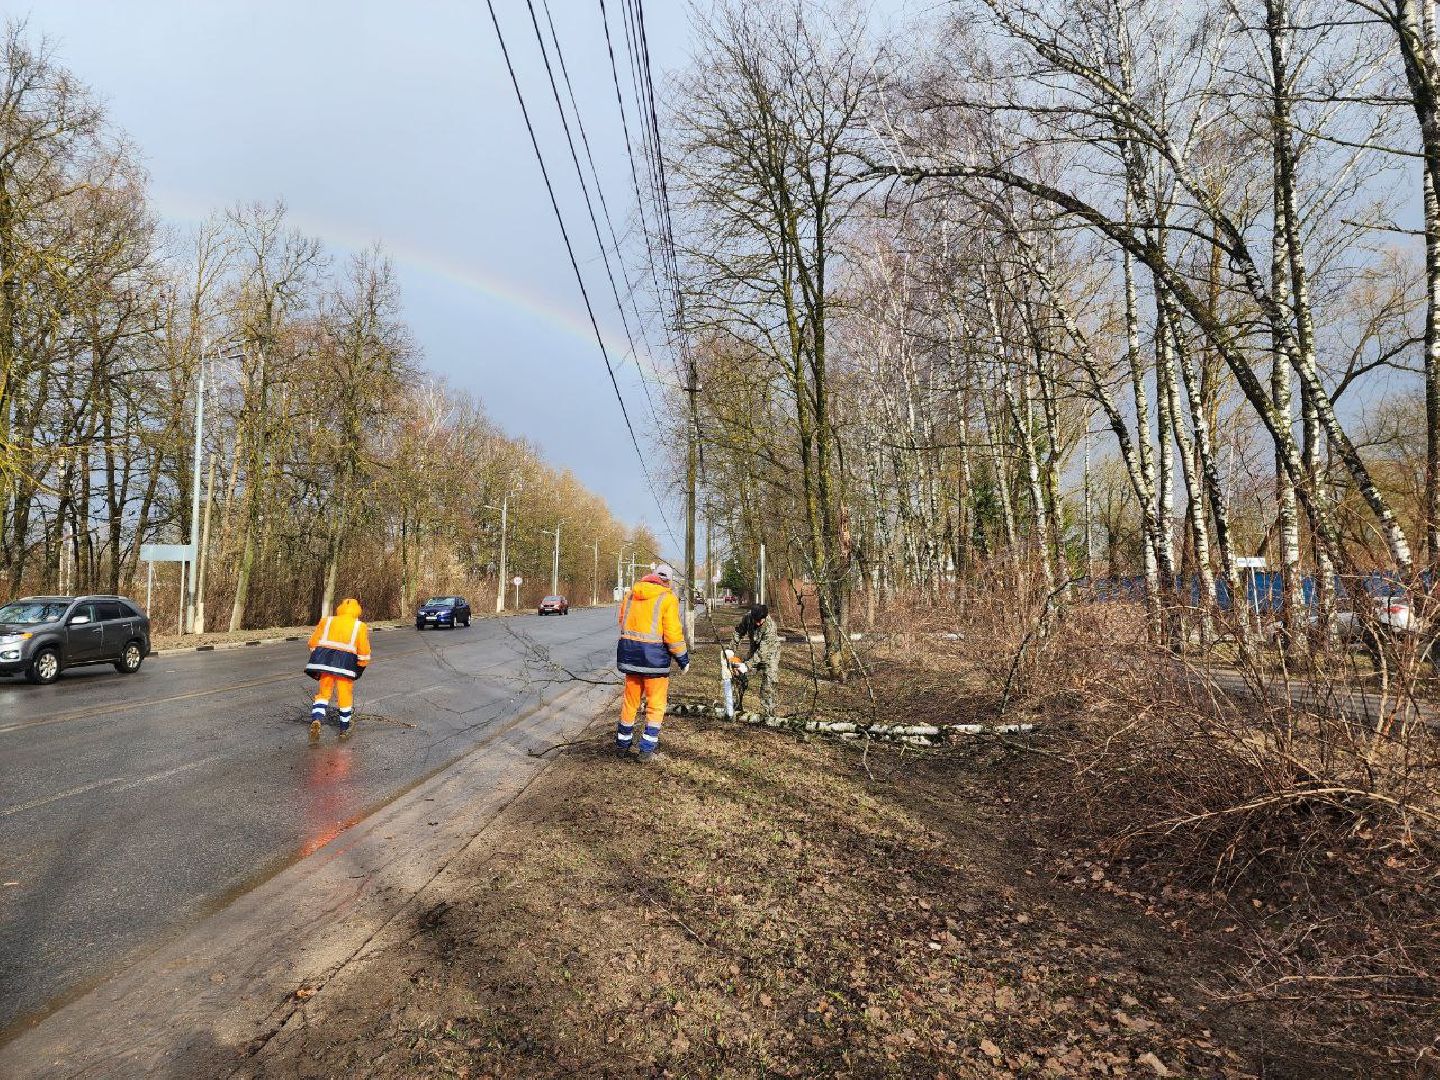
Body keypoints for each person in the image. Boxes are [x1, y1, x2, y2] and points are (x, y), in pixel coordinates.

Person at [615, 561, 689, 763]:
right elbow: (672, 633)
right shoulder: (668, 598)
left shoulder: (631, 594)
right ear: (668, 581)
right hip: (655, 661)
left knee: (630, 702)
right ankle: (646, 749)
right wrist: (682, 658)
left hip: (630, 656)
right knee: (655, 705)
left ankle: (622, 744)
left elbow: (622, 619)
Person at [305, 597, 371, 740]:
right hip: (345, 665)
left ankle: (316, 719)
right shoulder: (359, 626)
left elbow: (312, 643)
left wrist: (320, 657)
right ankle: (343, 729)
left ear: (340, 608)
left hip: (324, 663)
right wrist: (360, 668)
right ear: (357, 610)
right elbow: (364, 651)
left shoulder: (327, 621)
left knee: (323, 693)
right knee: (344, 695)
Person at [729, 603, 780, 715]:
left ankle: (769, 713)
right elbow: (739, 632)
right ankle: (737, 705)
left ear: (764, 618)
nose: (757, 623)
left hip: (770, 654)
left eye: (759, 621)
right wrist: (731, 650)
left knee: (769, 681)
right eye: (755, 620)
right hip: (754, 651)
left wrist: (746, 666)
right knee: (738, 675)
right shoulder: (748, 618)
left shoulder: (770, 627)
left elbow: (762, 653)